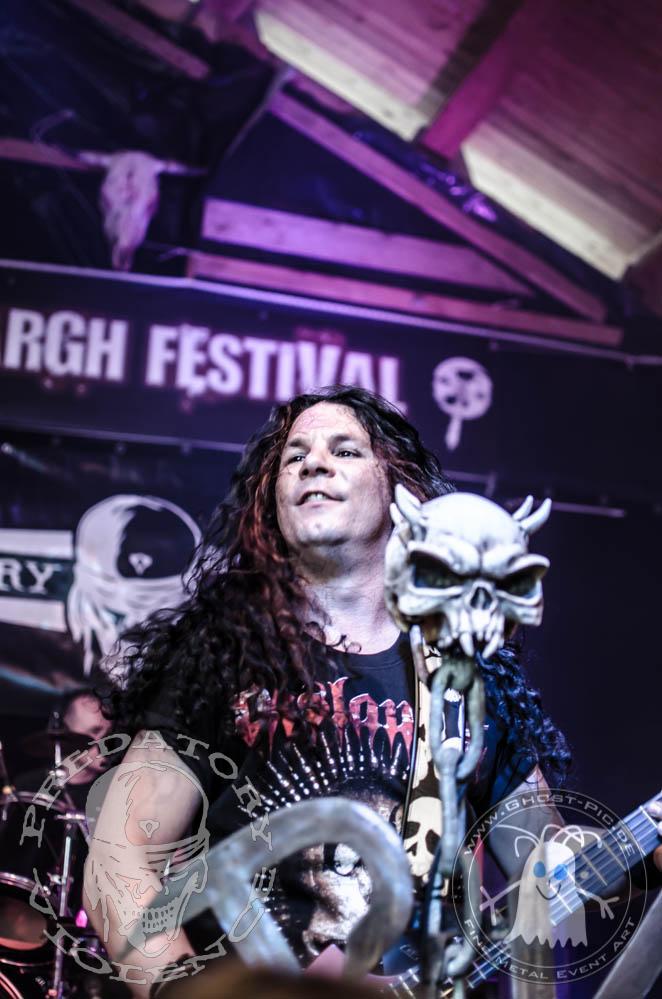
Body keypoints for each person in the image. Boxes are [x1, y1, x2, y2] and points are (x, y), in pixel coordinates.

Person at [83, 386, 661, 997]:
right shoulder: (222, 654)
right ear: (271, 498)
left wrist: (643, 853)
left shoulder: (469, 673)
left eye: (345, 451)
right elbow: (121, 859)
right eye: (294, 455)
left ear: (399, 493)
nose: (314, 463)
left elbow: (549, 865)